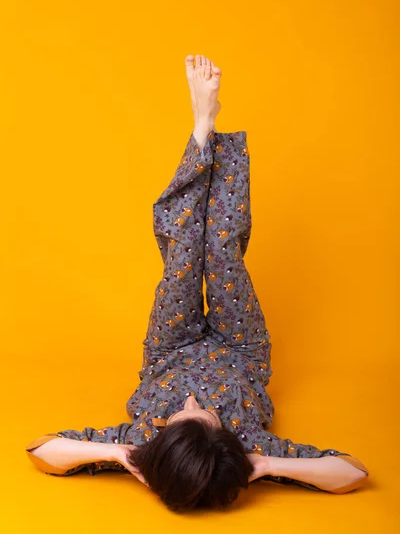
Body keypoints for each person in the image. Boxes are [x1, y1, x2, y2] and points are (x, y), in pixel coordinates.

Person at [25, 55, 369, 512]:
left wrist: (115, 454)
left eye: (176, 418)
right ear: (225, 438)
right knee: (222, 249)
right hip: (239, 351)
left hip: (171, 349)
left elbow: (44, 450)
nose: (187, 402)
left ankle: (203, 124)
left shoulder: (144, 440)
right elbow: (352, 472)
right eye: (200, 414)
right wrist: (264, 466)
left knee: (184, 251)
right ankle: (208, 129)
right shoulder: (247, 443)